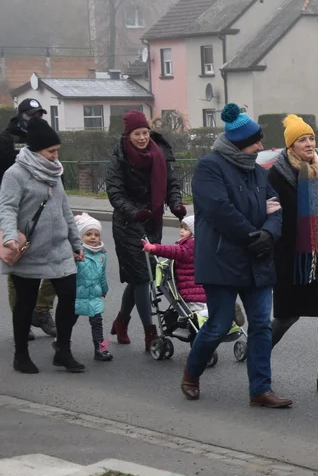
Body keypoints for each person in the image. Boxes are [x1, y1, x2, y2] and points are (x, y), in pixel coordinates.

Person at [180, 104, 290, 408]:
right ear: (239, 142)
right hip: (222, 260)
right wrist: (251, 235)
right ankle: (191, 373)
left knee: (261, 325)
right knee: (217, 325)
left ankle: (260, 389)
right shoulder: (209, 167)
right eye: (255, 141)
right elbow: (218, 209)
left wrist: (268, 233)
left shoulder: (257, 172)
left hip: (257, 259)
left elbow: (275, 207)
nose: (260, 146)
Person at [267, 115, 318, 394]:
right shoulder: (278, 174)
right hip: (293, 257)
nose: (309, 144)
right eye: (302, 139)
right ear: (290, 145)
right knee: (288, 314)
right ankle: (258, 353)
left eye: (311, 138)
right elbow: (271, 215)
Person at [0, 117, 86, 373]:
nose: (56, 155)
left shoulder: (55, 172)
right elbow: (7, 207)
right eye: (51, 151)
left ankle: (63, 350)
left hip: (59, 249)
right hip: (28, 251)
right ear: (36, 150)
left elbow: (65, 209)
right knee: (25, 304)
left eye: (57, 150)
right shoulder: (15, 174)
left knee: (70, 297)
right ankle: (21, 356)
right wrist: (9, 237)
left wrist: (76, 241)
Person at [105, 110, 186, 353]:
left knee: (141, 276)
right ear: (127, 135)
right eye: (136, 134)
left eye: (145, 133)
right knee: (142, 277)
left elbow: (171, 183)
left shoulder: (159, 154)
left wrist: (175, 203)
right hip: (128, 224)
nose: (142, 138)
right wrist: (134, 212)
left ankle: (121, 321)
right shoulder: (119, 159)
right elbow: (115, 193)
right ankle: (150, 333)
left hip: (153, 221)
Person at [1, 98, 58, 340]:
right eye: (32, 114)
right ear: (21, 115)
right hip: (17, 211)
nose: (36, 118)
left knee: (58, 264)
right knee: (19, 265)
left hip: (46, 209)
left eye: (39, 114)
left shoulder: (45, 137)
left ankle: (41, 310)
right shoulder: (6, 140)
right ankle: (21, 317)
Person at [73, 213, 111, 361]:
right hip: (77, 294)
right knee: (69, 321)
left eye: (96, 234)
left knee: (97, 322)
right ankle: (61, 342)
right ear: (80, 236)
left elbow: (102, 275)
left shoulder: (102, 255)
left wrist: (104, 288)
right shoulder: (76, 254)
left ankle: (99, 349)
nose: (93, 237)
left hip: (94, 295)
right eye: (88, 234)